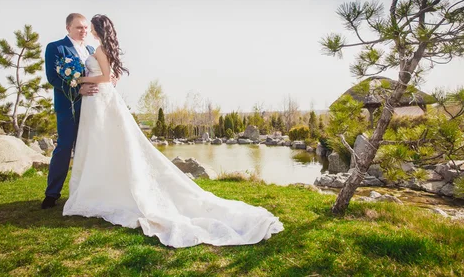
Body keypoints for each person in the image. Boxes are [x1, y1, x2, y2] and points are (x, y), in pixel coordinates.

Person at [62, 14, 284, 248]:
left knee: (106, 145)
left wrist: (81, 79)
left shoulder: (98, 50)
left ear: (96, 29)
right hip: (97, 101)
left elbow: (106, 77)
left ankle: (104, 190)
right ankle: (99, 187)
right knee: (101, 146)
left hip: (100, 101)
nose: (87, 30)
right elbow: (111, 77)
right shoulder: (100, 49)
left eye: (89, 27)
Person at [41, 13, 99, 209]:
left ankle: (88, 191)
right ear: (68, 28)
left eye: (85, 28)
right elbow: (53, 78)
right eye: (78, 28)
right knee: (64, 147)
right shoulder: (56, 48)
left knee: (90, 148)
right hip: (68, 106)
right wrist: (78, 89)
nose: (83, 31)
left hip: (91, 106)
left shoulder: (91, 49)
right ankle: (52, 194)